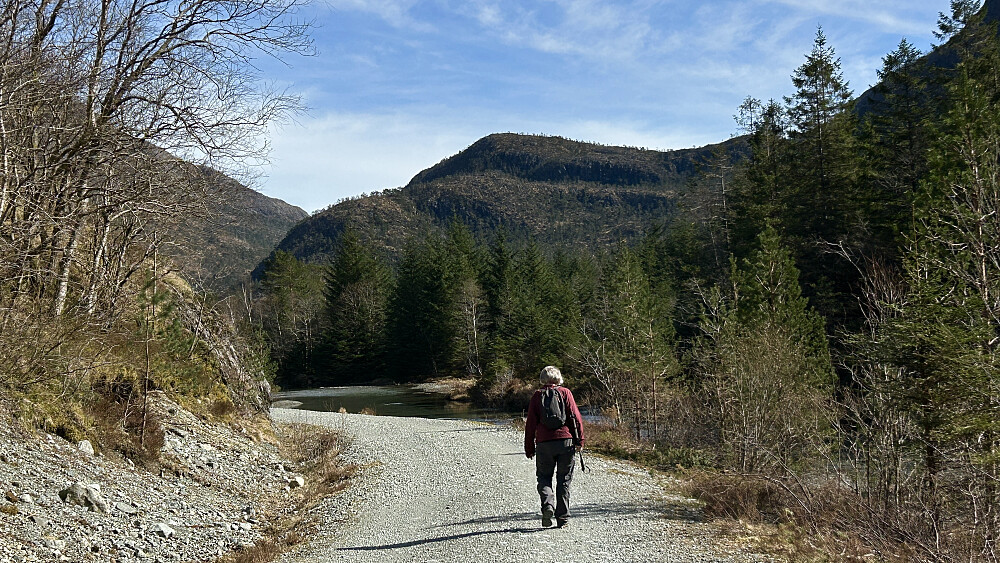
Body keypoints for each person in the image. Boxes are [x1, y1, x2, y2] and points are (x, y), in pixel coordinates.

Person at [524, 365, 585, 528]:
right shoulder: (565, 393)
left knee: (544, 477)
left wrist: (529, 448)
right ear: (558, 378)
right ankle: (562, 519)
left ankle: (548, 506)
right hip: (566, 442)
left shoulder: (537, 396)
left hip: (544, 444)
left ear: (543, 379)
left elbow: (530, 424)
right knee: (564, 480)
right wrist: (580, 440)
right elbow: (576, 417)